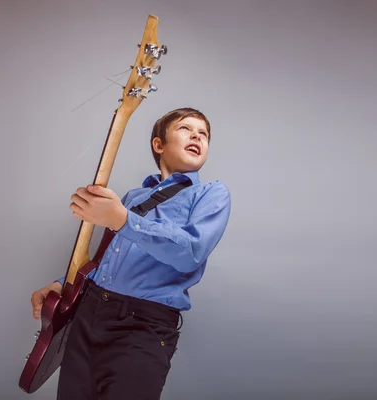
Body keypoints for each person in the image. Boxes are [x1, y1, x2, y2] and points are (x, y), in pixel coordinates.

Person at [30, 107, 231, 400]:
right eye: (186, 129)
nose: (197, 136)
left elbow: (190, 253)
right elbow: (105, 259)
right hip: (90, 311)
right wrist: (64, 283)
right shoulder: (132, 198)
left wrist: (123, 220)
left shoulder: (211, 194)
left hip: (143, 325)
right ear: (159, 145)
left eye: (204, 134)